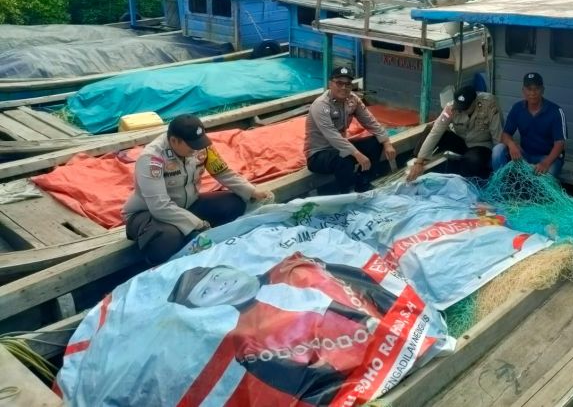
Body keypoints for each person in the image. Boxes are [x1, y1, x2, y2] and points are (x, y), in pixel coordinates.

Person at [169, 252, 398, 406]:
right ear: (207, 308)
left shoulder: (293, 264)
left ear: (227, 267)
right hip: (370, 374)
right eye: (206, 293)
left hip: (396, 334)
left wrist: (396, 320)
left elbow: (363, 284)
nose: (220, 285)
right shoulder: (247, 343)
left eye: (216, 277)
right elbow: (310, 387)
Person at [123, 115, 274, 265]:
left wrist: (253, 192)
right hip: (148, 213)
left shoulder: (201, 146)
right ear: (174, 141)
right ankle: (154, 265)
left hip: (187, 204)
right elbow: (159, 206)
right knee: (169, 238)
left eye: (199, 143)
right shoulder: (152, 159)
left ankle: (202, 244)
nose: (197, 149)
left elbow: (222, 172)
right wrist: (197, 224)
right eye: (191, 145)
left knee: (234, 203)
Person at [305, 66, 397, 194]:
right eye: (339, 83)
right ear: (330, 83)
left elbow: (370, 122)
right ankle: (347, 192)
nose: (343, 87)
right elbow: (332, 136)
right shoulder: (321, 105)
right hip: (319, 154)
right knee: (345, 158)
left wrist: (387, 143)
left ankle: (363, 182)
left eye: (347, 84)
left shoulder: (353, 100)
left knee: (375, 142)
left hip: (340, 148)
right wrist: (357, 154)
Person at [406, 85, 502, 182]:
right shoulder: (451, 108)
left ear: (474, 102)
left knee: (472, 161)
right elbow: (436, 131)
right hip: (461, 140)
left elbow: (497, 134)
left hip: (480, 145)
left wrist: (494, 162)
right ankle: (413, 162)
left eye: (465, 108)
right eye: (459, 107)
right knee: (431, 127)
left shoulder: (489, 105)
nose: (461, 111)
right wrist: (419, 161)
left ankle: (463, 181)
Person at [491, 72, 567, 178]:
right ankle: (502, 187)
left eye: (536, 88)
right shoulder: (517, 108)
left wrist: (546, 163)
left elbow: (560, 143)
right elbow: (505, 134)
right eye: (529, 89)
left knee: (546, 180)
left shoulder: (556, 111)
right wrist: (512, 144)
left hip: (548, 157)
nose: (532, 93)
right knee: (498, 150)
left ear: (543, 90)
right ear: (523, 91)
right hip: (525, 155)